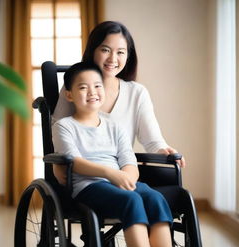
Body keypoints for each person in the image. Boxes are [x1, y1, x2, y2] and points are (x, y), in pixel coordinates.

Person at [52, 61, 174, 247]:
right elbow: (74, 161)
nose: (92, 92)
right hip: (89, 186)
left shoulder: (114, 126)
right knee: (131, 200)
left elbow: (128, 159)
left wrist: (126, 178)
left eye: (97, 86)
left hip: (120, 181)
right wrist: (111, 174)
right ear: (69, 94)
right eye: (83, 87)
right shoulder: (64, 126)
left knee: (155, 198)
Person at [52, 21, 186, 180]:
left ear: (128, 56)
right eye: (105, 50)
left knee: (169, 184)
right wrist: (58, 163)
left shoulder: (137, 93)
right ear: (92, 51)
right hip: (85, 176)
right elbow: (58, 131)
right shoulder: (76, 89)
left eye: (120, 52)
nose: (112, 59)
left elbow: (153, 141)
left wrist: (164, 150)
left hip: (123, 170)